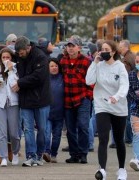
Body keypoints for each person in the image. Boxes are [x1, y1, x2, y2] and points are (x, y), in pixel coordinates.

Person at [86, 40, 129, 180]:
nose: (103, 51)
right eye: (102, 49)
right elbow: (89, 81)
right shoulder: (98, 66)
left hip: (118, 107)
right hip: (102, 105)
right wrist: (94, 62)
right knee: (103, 138)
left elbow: (124, 86)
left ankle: (122, 169)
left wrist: (117, 97)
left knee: (118, 139)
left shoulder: (120, 67)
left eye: (106, 49)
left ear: (113, 52)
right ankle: (102, 169)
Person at [13, 36, 51, 167]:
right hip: (25, 99)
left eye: (21, 51)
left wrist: (20, 83)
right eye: (18, 52)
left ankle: (39, 154)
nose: (20, 54)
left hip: (41, 99)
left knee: (42, 129)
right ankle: (30, 155)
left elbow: (38, 77)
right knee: (28, 129)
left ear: (28, 47)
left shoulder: (41, 57)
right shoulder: (18, 57)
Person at [60, 36, 92, 164]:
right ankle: (74, 154)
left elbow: (92, 79)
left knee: (83, 126)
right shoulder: (62, 61)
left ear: (79, 48)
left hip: (82, 98)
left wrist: (89, 96)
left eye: (73, 46)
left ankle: (83, 154)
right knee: (70, 129)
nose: (71, 48)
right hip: (68, 99)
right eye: (69, 46)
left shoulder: (86, 61)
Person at [0, 47, 20, 167]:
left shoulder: (16, 69)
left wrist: (11, 71)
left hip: (13, 103)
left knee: (13, 132)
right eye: (3, 58)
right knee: (1, 133)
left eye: (8, 57)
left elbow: (14, 86)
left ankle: (16, 152)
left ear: (12, 58)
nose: (6, 60)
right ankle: (3, 157)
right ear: (0, 59)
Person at [42, 58, 64, 163]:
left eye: (56, 66)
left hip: (60, 113)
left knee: (57, 135)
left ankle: (54, 154)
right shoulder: (45, 79)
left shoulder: (62, 78)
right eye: (51, 66)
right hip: (47, 112)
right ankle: (47, 152)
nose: (54, 68)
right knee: (47, 134)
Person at [118, 39, 136, 147]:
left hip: (129, 90)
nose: (119, 49)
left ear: (125, 47)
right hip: (134, 89)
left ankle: (129, 138)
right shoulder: (132, 56)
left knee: (128, 115)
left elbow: (125, 76)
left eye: (120, 47)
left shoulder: (126, 60)